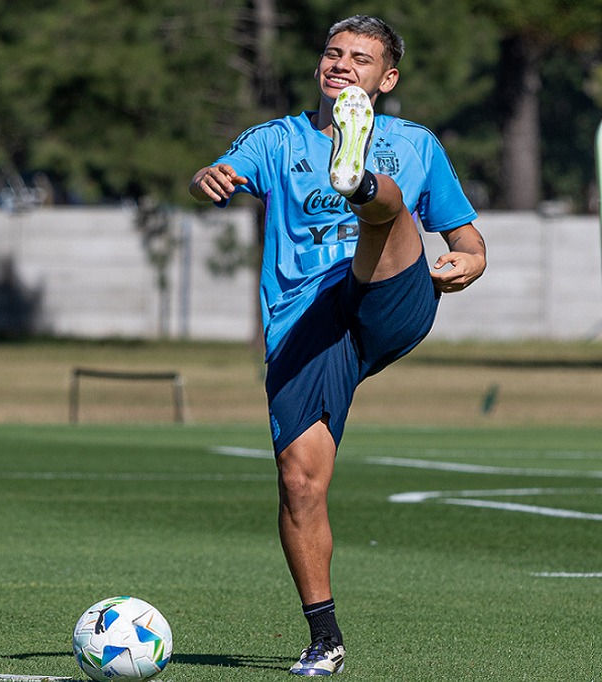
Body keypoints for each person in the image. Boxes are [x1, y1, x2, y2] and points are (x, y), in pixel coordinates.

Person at [189, 15, 486, 676]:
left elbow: (468, 241)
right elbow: (221, 170)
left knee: (388, 212)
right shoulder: (275, 139)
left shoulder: (417, 143)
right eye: (333, 53)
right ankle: (325, 638)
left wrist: (469, 263)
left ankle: (360, 182)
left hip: (389, 295)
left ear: (388, 79)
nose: (342, 64)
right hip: (308, 323)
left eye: (360, 57)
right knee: (299, 481)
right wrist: (209, 177)